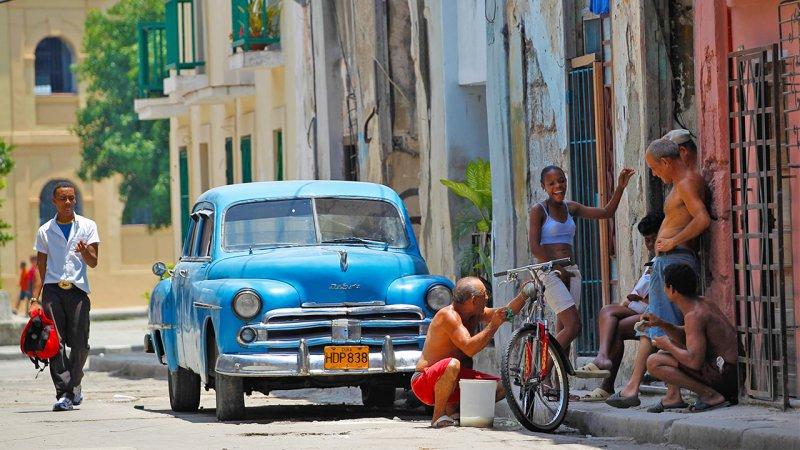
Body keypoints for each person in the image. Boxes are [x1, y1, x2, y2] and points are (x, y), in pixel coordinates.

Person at [606, 138, 710, 409]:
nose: (654, 173)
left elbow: (702, 219)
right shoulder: (682, 183)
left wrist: (673, 242)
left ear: (666, 162)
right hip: (667, 262)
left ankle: (641, 389)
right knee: (657, 324)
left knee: (661, 326)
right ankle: (663, 392)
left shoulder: (686, 183)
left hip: (675, 259)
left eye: (654, 168)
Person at [528, 165, 635, 383]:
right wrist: (557, 268)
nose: (558, 186)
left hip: (572, 272)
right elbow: (535, 248)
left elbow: (606, 213)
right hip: (549, 271)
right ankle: (541, 375)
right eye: (552, 183)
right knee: (574, 326)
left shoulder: (571, 208)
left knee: (563, 328)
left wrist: (620, 188)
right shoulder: (539, 210)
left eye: (561, 181)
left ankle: (559, 387)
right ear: (544, 187)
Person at [411, 277, 528, 428]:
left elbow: (506, 313)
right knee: (453, 364)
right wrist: (493, 326)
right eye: (484, 294)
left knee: (504, 386)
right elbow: (469, 348)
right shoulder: (448, 316)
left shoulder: (476, 312)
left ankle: (458, 413)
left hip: (455, 382)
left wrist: (524, 295)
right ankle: (438, 417)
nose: (487, 297)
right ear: (473, 300)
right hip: (425, 383)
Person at [577, 212, 664, 401]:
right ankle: (604, 372)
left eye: (652, 239)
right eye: (646, 241)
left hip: (654, 313)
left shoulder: (664, 259)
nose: (650, 245)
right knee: (610, 319)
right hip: (642, 308)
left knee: (608, 312)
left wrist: (632, 300)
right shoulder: (654, 260)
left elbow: (652, 294)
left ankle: (603, 363)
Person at [30, 181, 100, 412]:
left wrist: (84, 251)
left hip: (78, 291)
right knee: (55, 344)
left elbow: (94, 262)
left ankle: (75, 384)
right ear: (54, 202)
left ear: (75, 200)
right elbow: (41, 266)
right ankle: (64, 393)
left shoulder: (88, 226)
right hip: (52, 291)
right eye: (63, 198)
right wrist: (34, 299)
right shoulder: (44, 231)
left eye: (71, 198)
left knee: (80, 344)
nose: (68, 202)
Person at [644, 263, 738, 412]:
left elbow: (694, 362)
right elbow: (690, 335)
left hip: (726, 375)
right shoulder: (702, 302)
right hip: (730, 370)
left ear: (672, 289)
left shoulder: (694, 316)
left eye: (665, 286)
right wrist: (662, 324)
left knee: (654, 362)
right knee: (664, 353)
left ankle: (710, 395)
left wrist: (668, 345)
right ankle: (673, 397)